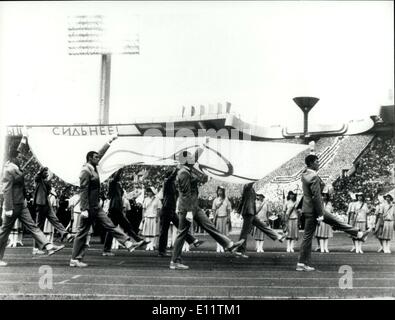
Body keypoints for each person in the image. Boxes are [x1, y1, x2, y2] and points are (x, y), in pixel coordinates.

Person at [69, 136, 143, 268]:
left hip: (95, 206)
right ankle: (75, 258)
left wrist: (108, 143)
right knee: (81, 234)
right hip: (89, 207)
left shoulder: (92, 166)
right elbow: (83, 190)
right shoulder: (85, 170)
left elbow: (100, 154)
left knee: (110, 225)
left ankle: (127, 243)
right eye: (96, 157)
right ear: (90, 158)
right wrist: (84, 208)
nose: (99, 159)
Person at [170, 151, 245, 270]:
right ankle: (174, 261)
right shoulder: (183, 173)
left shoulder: (186, 169)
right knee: (182, 234)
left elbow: (194, 158)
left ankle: (229, 244)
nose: (193, 159)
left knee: (209, 226)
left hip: (194, 206)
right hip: (187, 208)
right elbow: (185, 194)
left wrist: (202, 146)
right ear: (185, 160)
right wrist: (189, 211)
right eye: (190, 157)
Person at [296, 154, 371, 272]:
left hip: (310, 208)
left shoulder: (306, 174)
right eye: (316, 161)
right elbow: (316, 196)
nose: (318, 163)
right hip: (315, 210)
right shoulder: (313, 176)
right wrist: (320, 214)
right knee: (310, 236)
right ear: (311, 163)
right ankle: (301, 263)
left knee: (333, 222)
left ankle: (358, 234)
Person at [0, 142, 64, 267]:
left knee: (33, 226)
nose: (21, 158)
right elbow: (6, 189)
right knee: (4, 232)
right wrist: (8, 208)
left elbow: (21, 150)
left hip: (21, 204)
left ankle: (48, 246)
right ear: (12, 158)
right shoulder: (8, 169)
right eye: (18, 157)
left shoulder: (16, 166)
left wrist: (24, 138)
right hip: (12, 206)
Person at [157, 167, 203, 257]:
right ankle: (161, 251)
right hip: (166, 210)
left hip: (171, 210)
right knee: (164, 231)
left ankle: (193, 240)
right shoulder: (166, 182)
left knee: (180, 226)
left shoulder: (173, 184)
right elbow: (171, 178)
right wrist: (176, 169)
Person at [102, 169, 147, 256]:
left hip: (117, 209)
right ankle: (138, 240)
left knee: (115, 229)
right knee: (126, 226)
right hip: (115, 209)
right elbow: (116, 178)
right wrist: (120, 168)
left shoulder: (117, 185)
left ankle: (107, 250)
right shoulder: (113, 183)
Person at [234, 183, 285, 259]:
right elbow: (243, 200)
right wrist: (238, 211)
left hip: (251, 212)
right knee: (245, 232)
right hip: (248, 212)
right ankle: (239, 251)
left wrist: (239, 211)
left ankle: (278, 236)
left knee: (261, 225)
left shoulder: (252, 189)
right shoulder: (247, 186)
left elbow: (243, 200)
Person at [32, 167, 74, 255]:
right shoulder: (38, 180)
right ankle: (36, 248)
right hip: (40, 205)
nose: (47, 174)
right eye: (45, 172)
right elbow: (37, 176)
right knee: (39, 226)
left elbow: (47, 189)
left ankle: (66, 234)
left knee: (55, 220)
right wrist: (42, 170)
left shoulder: (46, 182)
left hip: (46, 204)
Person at [212, 186, 232, 253]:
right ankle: (218, 247)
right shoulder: (215, 200)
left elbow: (228, 209)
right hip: (218, 218)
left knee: (224, 234)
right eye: (218, 191)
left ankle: (223, 247)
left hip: (225, 217)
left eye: (221, 191)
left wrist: (229, 218)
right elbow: (213, 210)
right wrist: (214, 217)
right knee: (218, 233)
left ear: (223, 191)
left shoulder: (226, 199)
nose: (219, 192)